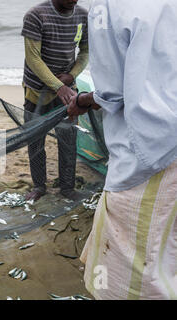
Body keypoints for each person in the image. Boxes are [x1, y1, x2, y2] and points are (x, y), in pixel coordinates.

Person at [67, 0, 177, 299]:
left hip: (150, 151)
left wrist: (83, 100)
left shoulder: (107, 7)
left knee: (136, 266)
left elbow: (112, 92)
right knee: (168, 250)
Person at [22, 0, 89, 201]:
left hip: (67, 89)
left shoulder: (83, 16)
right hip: (36, 91)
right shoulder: (35, 15)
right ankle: (39, 186)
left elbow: (85, 52)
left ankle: (67, 188)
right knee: (35, 141)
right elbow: (33, 58)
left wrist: (71, 76)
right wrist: (57, 85)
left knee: (68, 140)